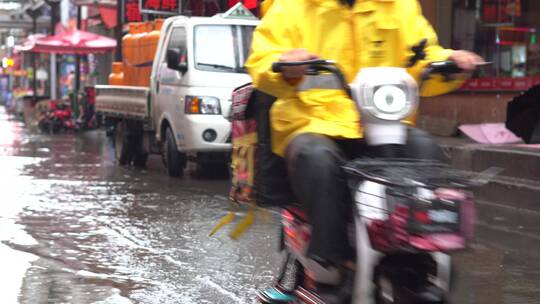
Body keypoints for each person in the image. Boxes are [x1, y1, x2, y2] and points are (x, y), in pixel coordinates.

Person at [245, 0, 484, 299]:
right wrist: (286, 63)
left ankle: (416, 258)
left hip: (383, 124)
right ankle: (333, 265)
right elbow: (263, 60)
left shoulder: (399, 6)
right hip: (314, 122)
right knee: (318, 158)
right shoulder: (292, 7)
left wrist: (450, 62)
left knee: (424, 147)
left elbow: (423, 55)